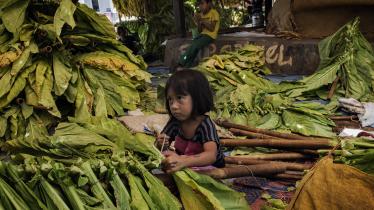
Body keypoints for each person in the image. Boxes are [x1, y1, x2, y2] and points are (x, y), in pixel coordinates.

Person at [156, 70, 225, 173]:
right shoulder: (175, 122)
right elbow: (161, 146)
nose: (173, 106)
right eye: (170, 100)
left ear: (198, 98)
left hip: (211, 168)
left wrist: (184, 161)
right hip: (185, 163)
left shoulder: (205, 124)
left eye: (179, 98)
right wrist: (161, 143)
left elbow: (211, 156)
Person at [178, 0, 220, 69]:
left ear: (208, 4)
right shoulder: (200, 14)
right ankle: (187, 67)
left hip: (210, 36)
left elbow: (212, 28)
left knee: (194, 46)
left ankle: (181, 62)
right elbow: (200, 30)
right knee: (193, 49)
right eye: (199, 4)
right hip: (202, 35)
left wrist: (202, 20)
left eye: (202, 3)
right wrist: (198, 21)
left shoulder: (214, 13)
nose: (200, 6)